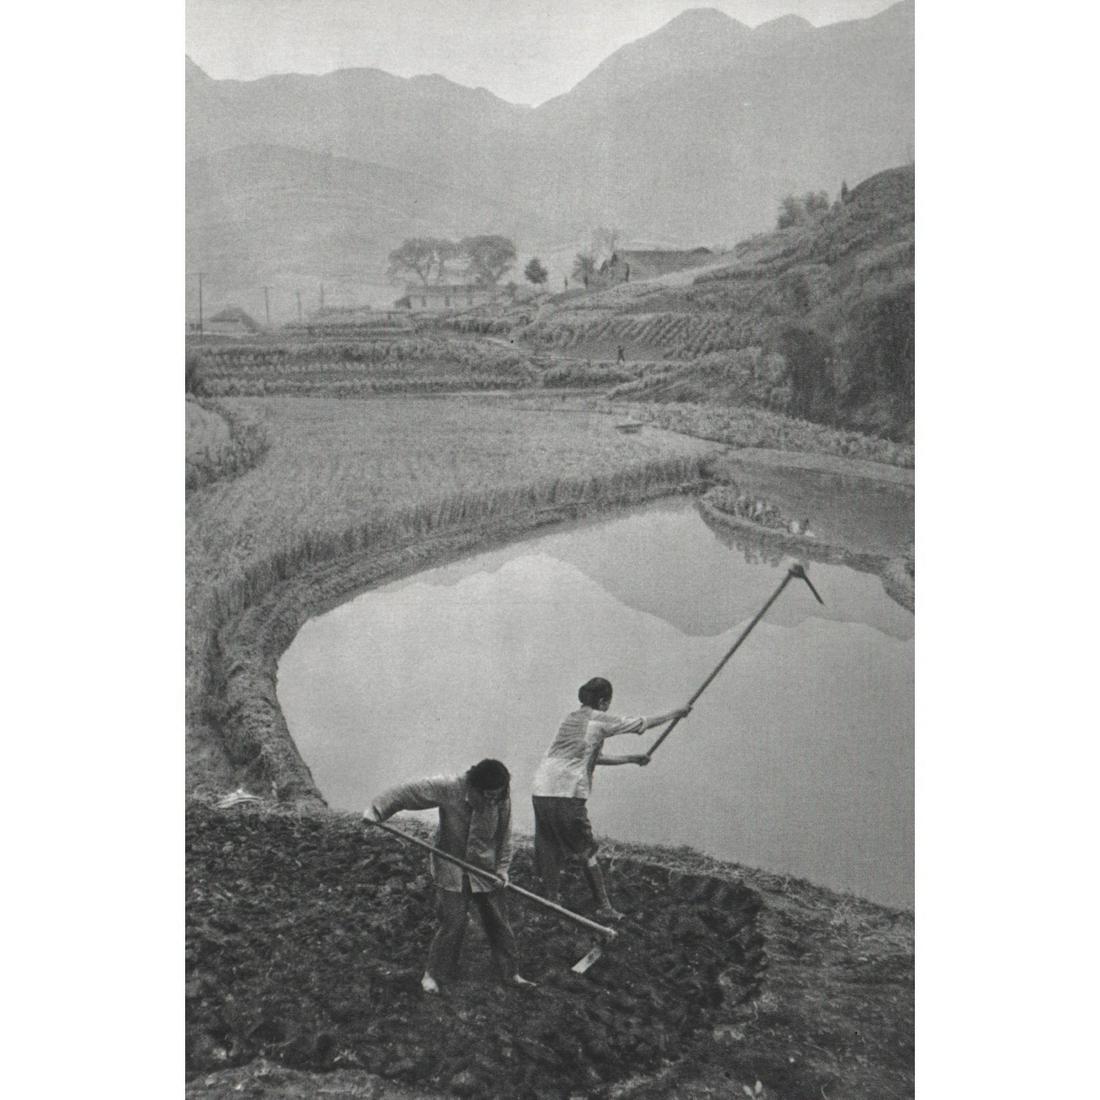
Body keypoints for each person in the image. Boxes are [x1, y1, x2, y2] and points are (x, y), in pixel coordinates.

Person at [365, 759, 536, 994]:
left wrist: (502, 869)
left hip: (484, 868)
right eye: (487, 795)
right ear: (473, 788)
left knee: (498, 920)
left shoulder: (501, 797)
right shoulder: (450, 787)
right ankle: (434, 975)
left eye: (497, 795)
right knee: (453, 922)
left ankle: (511, 974)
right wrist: (377, 810)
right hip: (451, 865)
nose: (492, 801)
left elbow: (505, 835)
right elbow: (408, 793)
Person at [532, 678, 690, 920]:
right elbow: (641, 724)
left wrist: (630, 759)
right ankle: (603, 907)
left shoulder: (570, 720)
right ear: (603, 702)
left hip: (542, 789)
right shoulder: (599, 718)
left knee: (550, 844)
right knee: (587, 849)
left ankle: (551, 900)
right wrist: (674, 714)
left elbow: (592, 757)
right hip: (567, 791)